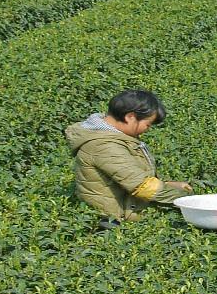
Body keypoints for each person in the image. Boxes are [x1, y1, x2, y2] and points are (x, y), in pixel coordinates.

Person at [67, 88, 196, 223]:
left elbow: (130, 176)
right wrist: (189, 202)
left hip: (123, 211)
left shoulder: (114, 136)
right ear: (130, 117)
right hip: (111, 222)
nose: (148, 129)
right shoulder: (104, 146)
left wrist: (168, 185)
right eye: (148, 124)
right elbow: (142, 186)